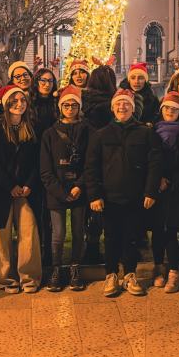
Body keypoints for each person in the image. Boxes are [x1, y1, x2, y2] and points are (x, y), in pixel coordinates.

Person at [84, 88, 162, 297]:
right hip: (109, 197)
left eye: (126, 103)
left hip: (136, 196)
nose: (122, 107)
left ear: (133, 107)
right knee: (111, 236)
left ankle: (129, 273)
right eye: (118, 103)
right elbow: (91, 168)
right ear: (112, 108)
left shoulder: (145, 132)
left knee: (132, 236)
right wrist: (94, 195)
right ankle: (111, 274)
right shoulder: (101, 135)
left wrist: (150, 192)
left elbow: (154, 165)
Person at [0, 85, 43, 294]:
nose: (19, 104)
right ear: (6, 104)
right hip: (2, 189)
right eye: (14, 101)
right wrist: (10, 185)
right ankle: (6, 279)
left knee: (28, 232)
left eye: (22, 100)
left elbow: (38, 160)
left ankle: (29, 278)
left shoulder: (32, 126)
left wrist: (29, 184)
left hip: (26, 190)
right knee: (1, 235)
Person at [39, 85, 89, 292]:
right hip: (56, 191)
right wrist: (60, 192)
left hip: (79, 189)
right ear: (60, 107)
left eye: (74, 105)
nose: (70, 108)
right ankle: (56, 268)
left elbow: (91, 163)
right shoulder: (49, 134)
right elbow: (45, 169)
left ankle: (76, 267)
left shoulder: (88, 130)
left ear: (79, 107)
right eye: (66, 105)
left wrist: (79, 186)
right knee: (58, 234)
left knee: (78, 232)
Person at [80, 64, 118, 264]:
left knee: (91, 203)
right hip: (108, 156)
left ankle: (92, 245)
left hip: (87, 155)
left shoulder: (83, 101)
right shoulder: (109, 104)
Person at [153, 91, 179, 293]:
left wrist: (172, 181)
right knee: (157, 229)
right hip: (156, 187)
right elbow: (149, 157)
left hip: (176, 189)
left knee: (171, 229)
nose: (170, 112)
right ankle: (158, 268)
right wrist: (157, 179)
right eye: (167, 108)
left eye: (174, 109)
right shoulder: (153, 131)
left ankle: (174, 271)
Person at [26, 67, 58, 266]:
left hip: (54, 161)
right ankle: (37, 254)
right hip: (34, 160)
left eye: (50, 81)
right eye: (42, 80)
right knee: (36, 212)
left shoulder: (57, 103)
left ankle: (50, 256)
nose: (46, 84)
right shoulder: (29, 105)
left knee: (50, 212)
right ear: (36, 83)